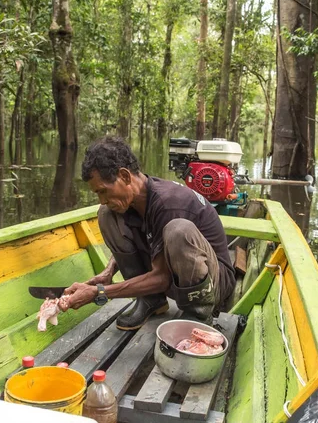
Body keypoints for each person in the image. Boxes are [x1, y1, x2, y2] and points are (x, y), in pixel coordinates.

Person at [58, 136, 236, 330]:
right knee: (106, 215)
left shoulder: (168, 203)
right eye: (98, 194)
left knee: (178, 231)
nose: (102, 199)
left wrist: (98, 292)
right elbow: (150, 241)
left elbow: (162, 278)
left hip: (214, 283)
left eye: (103, 191)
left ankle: (199, 313)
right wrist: (109, 272)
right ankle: (151, 300)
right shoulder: (135, 199)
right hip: (173, 273)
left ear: (125, 176)